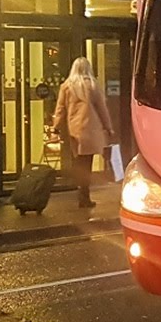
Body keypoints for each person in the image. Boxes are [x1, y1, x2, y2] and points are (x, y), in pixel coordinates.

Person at [51, 57, 115, 209]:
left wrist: (56, 127)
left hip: (74, 130)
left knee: (78, 163)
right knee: (87, 163)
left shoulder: (66, 86)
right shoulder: (92, 85)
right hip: (91, 130)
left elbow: (60, 109)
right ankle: (84, 196)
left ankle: (81, 194)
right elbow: (102, 109)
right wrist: (108, 127)